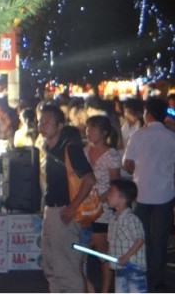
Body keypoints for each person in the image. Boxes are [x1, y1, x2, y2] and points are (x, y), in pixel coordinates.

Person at [122, 97, 175, 291]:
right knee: (160, 239)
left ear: (147, 113)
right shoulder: (173, 138)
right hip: (165, 195)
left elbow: (126, 163)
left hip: (140, 193)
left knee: (141, 237)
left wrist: (139, 170)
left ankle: (141, 274)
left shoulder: (138, 135)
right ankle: (156, 278)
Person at [39, 103, 97, 293]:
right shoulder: (48, 148)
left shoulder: (70, 149)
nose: (42, 125)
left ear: (59, 126)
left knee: (66, 268)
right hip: (52, 210)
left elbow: (89, 179)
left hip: (64, 212)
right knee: (51, 267)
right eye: (41, 121)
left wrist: (72, 207)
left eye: (47, 122)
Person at [85, 115, 122, 293]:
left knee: (101, 250)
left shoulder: (111, 155)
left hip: (104, 208)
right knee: (83, 249)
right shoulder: (85, 151)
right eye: (88, 128)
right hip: (85, 207)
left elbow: (115, 184)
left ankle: (106, 287)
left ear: (104, 132)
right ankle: (90, 286)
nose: (89, 132)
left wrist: (101, 199)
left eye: (93, 128)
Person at [106, 179, 147, 293]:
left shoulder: (131, 219)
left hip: (133, 268)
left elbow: (139, 240)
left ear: (122, 199)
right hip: (119, 268)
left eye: (111, 193)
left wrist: (126, 257)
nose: (107, 196)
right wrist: (108, 254)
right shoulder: (113, 220)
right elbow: (112, 242)